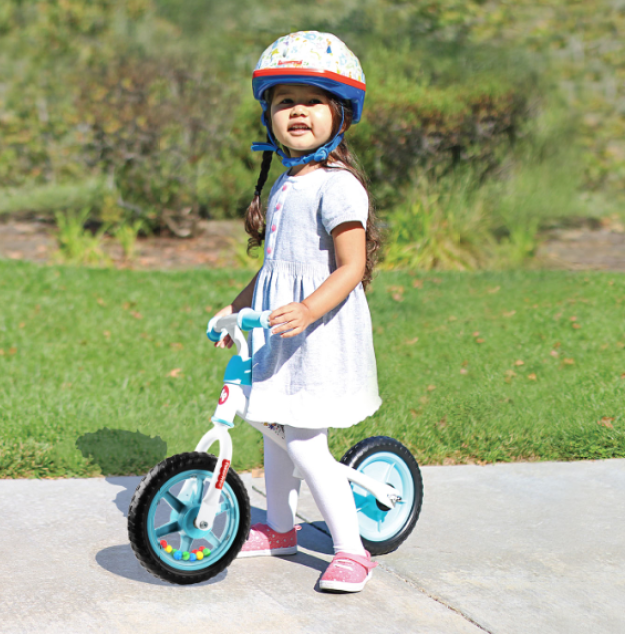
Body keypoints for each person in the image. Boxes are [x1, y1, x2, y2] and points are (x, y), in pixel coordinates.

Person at [210, 31, 383, 593]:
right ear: (270, 117)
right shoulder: (287, 182)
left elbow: (350, 266)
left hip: (317, 330)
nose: (298, 111)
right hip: (278, 330)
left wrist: (308, 310)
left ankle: (352, 550)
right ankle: (280, 527)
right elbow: (277, 267)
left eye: (311, 100)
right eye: (286, 102)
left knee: (305, 441)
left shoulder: (339, 186)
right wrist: (238, 308)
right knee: (270, 426)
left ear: (340, 114)